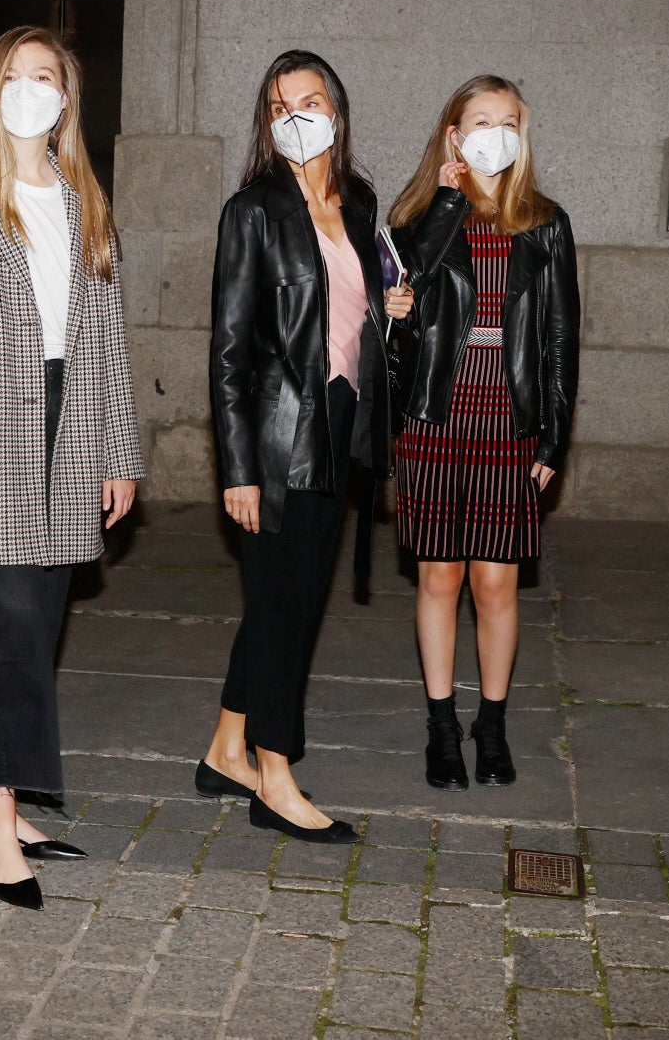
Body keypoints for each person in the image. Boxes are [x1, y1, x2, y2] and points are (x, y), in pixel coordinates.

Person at [0, 25, 144, 911]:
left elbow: (110, 340)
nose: (28, 90)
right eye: (11, 75)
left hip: (72, 420)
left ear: (66, 94)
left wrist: (119, 450)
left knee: (37, 629)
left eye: (43, 77)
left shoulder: (85, 196)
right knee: (8, 633)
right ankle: (1, 823)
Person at [201, 51, 414, 844]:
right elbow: (228, 351)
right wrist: (239, 470)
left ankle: (228, 745)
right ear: (267, 122)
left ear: (337, 111)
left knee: (281, 597)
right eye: (280, 105)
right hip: (278, 432)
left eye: (310, 100)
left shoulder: (358, 203)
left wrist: (395, 309)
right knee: (288, 606)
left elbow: (358, 314)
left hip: (342, 419)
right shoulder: (251, 210)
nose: (296, 115)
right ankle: (275, 774)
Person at [387, 75, 580, 792]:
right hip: (435, 415)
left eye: (508, 121)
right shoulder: (419, 216)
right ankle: (441, 726)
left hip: (508, 417)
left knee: (497, 584)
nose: (495, 132)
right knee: (439, 576)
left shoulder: (546, 222)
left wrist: (552, 439)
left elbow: (562, 335)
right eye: (480, 120)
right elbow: (401, 307)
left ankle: (490, 723)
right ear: (453, 134)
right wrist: (445, 200)